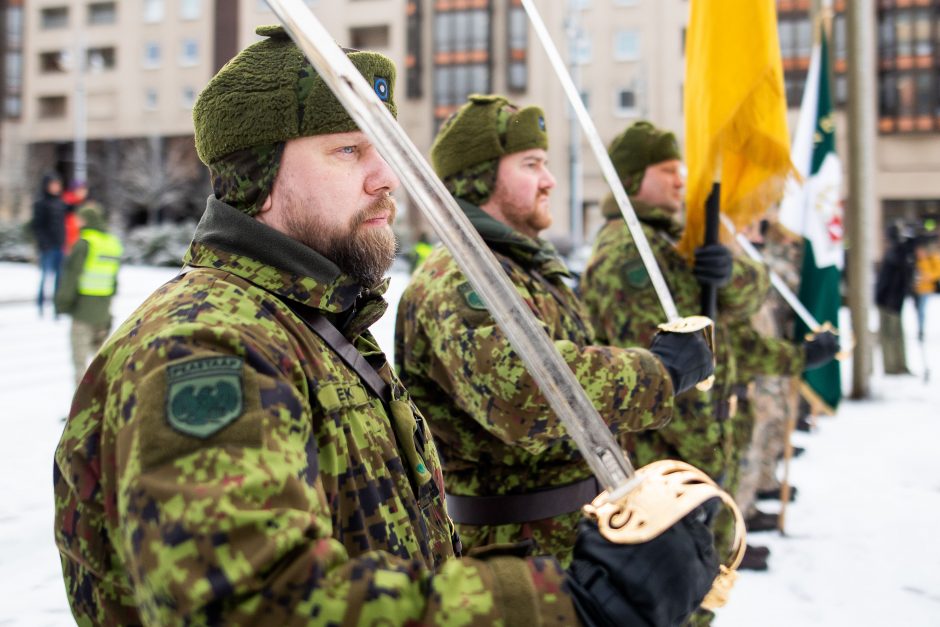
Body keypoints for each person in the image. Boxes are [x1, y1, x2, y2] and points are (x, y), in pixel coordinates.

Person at [53, 29, 717, 627]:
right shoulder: (206, 344)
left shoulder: (318, 326)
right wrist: (561, 602)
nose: (389, 177)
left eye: (387, 148)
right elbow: (252, 603)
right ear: (258, 177)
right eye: (348, 149)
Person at [395, 95, 715, 566]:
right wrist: (658, 373)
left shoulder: (520, 269)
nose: (549, 180)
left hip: (564, 539)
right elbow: (520, 393)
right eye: (531, 164)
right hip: (511, 558)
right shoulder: (460, 277)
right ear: (479, 178)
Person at [579, 121, 838, 590]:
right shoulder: (628, 253)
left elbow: (727, 338)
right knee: (676, 595)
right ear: (633, 179)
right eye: (666, 170)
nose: (682, 180)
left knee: (699, 591)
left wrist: (796, 353)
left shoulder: (672, 242)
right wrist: (707, 459)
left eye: (681, 168)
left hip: (696, 463)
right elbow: (658, 372)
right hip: (668, 467)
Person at [54, 202, 123, 387]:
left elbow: (70, 276)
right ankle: (104, 405)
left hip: (83, 312)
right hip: (104, 313)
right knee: (101, 363)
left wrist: (62, 304)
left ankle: (80, 410)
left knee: (80, 362)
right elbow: (114, 281)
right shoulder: (112, 244)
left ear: (86, 220)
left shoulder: (85, 243)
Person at [875, 223, 916, 374]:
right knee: (889, 334)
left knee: (895, 334)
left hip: (892, 300)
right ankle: (891, 366)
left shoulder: (898, 253)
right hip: (887, 300)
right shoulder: (894, 253)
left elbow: (899, 279)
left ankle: (897, 365)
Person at [31, 171, 67, 316]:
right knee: (45, 277)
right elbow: (37, 226)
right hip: (47, 247)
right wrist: (44, 243)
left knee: (59, 278)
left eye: (58, 184)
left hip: (59, 245)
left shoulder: (60, 202)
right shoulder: (41, 203)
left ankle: (56, 307)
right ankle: (40, 305)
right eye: (53, 184)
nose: (56, 187)